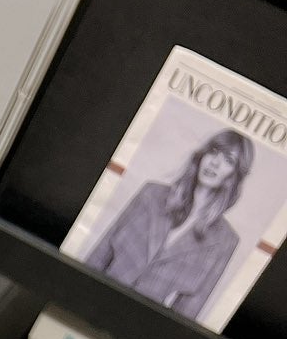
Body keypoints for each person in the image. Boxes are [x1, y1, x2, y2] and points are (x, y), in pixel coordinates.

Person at [82, 127, 255, 322]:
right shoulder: (151, 194)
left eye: (228, 160)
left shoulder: (225, 241)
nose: (215, 162)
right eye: (213, 151)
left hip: (140, 323)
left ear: (235, 175)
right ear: (202, 155)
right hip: (90, 299)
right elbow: (101, 253)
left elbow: (187, 312)